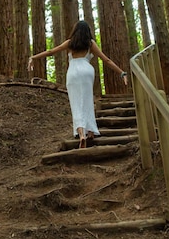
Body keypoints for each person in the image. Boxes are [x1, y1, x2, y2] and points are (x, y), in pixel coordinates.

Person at [28, 20, 128, 148]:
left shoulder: (70, 43)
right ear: (88, 32)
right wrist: (121, 73)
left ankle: (81, 134)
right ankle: (91, 131)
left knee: (76, 103)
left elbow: (51, 51)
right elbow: (106, 60)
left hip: (73, 73)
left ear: (75, 31)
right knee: (87, 100)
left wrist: (33, 58)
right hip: (87, 72)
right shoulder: (90, 44)